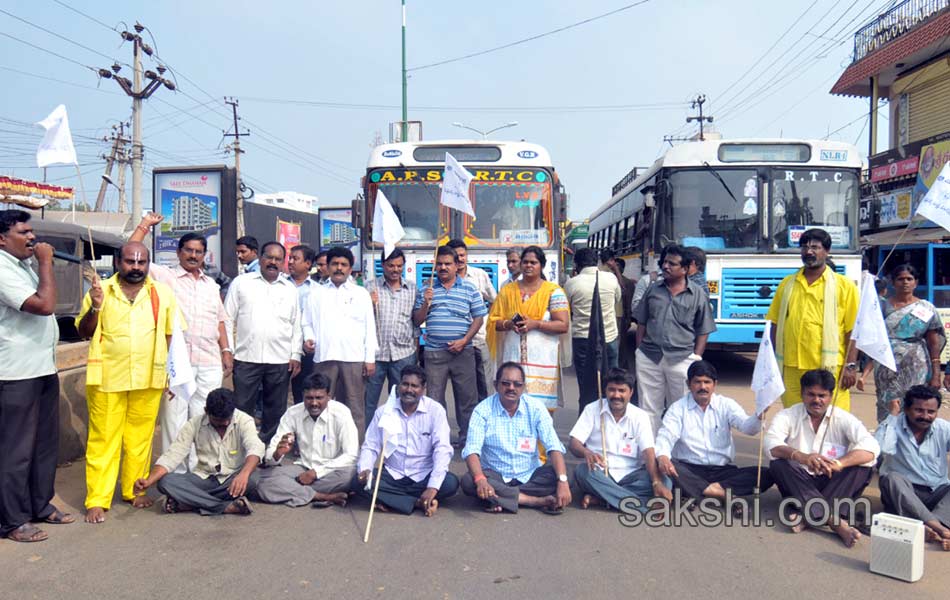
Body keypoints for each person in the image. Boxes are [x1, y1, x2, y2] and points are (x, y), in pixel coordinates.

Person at [75, 241, 180, 524]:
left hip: (149, 377)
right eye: (130, 262)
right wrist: (96, 307)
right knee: (104, 440)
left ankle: (134, 490)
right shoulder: (101, 290)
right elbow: (85, 331)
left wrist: (170, 372)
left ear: (148, 264)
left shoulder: (162, 293)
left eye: (141, 262)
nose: (136, 268)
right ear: (118, 262)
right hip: (108, 377)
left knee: (140, 439)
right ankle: (97, 499)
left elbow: (170, 335)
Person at [129, 213, 232, 470]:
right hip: (178, 363)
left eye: (199, 252)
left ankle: (198, 472)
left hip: (209, 361)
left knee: (202, 419)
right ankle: (173, 475)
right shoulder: (165, 277)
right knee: (174, 421)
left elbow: (220, 320)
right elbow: (132, 253)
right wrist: (144, 227)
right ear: (179, 252)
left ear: (205, 255)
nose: (193, 256)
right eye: (188, 250)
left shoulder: (210, 285)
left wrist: (226, 350)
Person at [0, 210, 74, 542]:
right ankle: (11, 520)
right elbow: (43, 305)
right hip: (15, 373)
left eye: (32, 232)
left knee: (44, 446)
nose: (32, 238)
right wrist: (46, 262)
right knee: (16, 451)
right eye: (23, 232)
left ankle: (38, 505)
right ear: (2, 238)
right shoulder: (2, 269)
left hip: (42, 367)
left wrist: (38, 263)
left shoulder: (22, 266)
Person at [765, 369, 879, 548]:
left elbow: (872, 448)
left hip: (832, 480)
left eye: (822, 395)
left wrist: (839, 464)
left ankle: (810, 516)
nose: (816, 400)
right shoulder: (788, 415)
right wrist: (801, 457)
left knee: (864, 465)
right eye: (811, 394)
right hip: (800, 483)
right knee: (779, 463)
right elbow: (771, 444)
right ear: (802, 394)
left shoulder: (843, 418)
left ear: (830, 396)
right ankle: (835, 522)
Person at [766, 228, 859, 412]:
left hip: (829, 367)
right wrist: (771, 362)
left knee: (832, 423)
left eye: (815, 247)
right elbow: (774, 324)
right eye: (804, 247)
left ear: (827, 251)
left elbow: (854, 330)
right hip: (791, 367)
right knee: (795, 419)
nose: (809, 252)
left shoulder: (844, 286)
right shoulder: (787, 284)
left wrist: (850, 365)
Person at [460, 362, 572, 514]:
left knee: (562, 475)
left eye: (517, 384)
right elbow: (471, 451)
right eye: (506, 383)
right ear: (495, 385)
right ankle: (533, 501)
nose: (511, 388)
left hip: (529, 475)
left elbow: (553, 445)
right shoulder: (482, 410)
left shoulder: (536, 408)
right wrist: (481, 480)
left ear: (523, 387)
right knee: (469, 481)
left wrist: (563, 481)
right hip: (495, 474)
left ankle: (498, 498)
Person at [654, 360, 769, 506]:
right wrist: (663, 457)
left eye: (707, 382)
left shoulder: (726, 405)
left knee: (766, 475)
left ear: (714, 384)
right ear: (689, 384)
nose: (703, 387)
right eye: (697, 382)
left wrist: (760, 415)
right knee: (668, 467)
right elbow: (666, 436)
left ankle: (704, 492)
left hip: (722, 471)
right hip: (690, 470)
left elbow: (748, 428)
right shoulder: (677, 409)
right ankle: (720, 494)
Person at [134, 388, 261, 516]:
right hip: (204, 478)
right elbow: (173, 455)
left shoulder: (244, 420)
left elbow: (255, 448)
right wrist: (149, 481)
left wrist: (243, 475)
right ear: (206, 411)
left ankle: (189, 502)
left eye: (228, 418)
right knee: (165, 482)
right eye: (219, 421)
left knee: (253, 479)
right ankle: (222, 506)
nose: (226, 423)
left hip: (232, 479)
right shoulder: (194, 424)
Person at [224, 241, 302, 443]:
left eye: (278, 259)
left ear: (283, 262)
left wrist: (295, 355)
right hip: (245, 357)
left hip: (280, 359)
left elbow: (296, 324)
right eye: (269, 257)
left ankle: (268, 450)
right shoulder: (241, 283)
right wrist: (228, 351)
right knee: (242, 408)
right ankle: (241, 449)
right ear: (260, 258)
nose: (273, 262)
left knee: (275, 409)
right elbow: (227, 318)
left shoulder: (290, 289)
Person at [633, 244, 716, 432]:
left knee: (680, 408)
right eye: (664, 262)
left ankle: (676, 456)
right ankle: (651, 454)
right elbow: (642, 323)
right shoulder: (653, 290)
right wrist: (639, 351)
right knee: (648, 409)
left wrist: (696, 357)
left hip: (682, 358)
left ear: (686, 269)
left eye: (672, 263)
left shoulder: (698, 295)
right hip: (649, 356)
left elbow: (704, 329)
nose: (666, 267)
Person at [356, 365, 458, 516]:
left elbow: (442, 450)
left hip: (423, 475)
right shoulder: (384, 412)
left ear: (423, 389)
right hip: (393, 475)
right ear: (399, 386)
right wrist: (365, 469)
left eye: (414, 386)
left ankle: (392, 500)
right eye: (405, 384)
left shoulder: (435, 411)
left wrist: (432, 487)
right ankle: (417, 503)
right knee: (356, 481)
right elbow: (371, 446)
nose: (409, 390)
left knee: (450, 483)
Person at [412, 245, 486, 445]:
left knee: (467, 400)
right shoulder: (426, 290)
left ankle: (468, 441)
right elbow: (417, 321)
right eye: (440, 264)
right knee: (435, 400)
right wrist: (426, 303)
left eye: (447, 264)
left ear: (456, 265)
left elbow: (479, 317)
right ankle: (439, 440)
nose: (443, 267)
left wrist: (464, 340)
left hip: (463, 352)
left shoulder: (469, 288)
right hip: (434, 353)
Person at [569, 369, 669, 511]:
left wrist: (656, 482)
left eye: (622, 390)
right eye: (612, 390)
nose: (616, 395)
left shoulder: (640, 416)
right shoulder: (592, 409)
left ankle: (604, 498)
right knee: (582, 472)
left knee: (665, 481)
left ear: (631, 392)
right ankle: (641, 508)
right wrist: (586, 452)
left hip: (631, 474)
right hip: (601, 473)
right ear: (605, 390)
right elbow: (574, 443)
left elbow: (648, 451)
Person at [302, 246, 378, 435]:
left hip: (354, 358)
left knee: (354, 408)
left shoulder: (360, 294)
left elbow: (370, 327)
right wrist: (309, 338)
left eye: (343, 265)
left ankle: (355, 452)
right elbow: (306, 323)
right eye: (335, 264)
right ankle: (320, 448)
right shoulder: (316, 293)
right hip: (324, 357)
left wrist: (370, 358)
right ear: (327, 267)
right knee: (320, 407)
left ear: (350, 269)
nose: (339, 268)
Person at [487, 245, 569, 414]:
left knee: (541, 412)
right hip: (512, 358)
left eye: (533, 262)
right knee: (510, 406)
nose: (528, 266)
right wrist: (509, 324)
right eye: (525, 262)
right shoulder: (507, 291)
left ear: (542, 266)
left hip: (543, 364)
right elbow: (494, 322)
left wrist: (536, 324)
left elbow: (563, 325)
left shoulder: (554, 292)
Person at [256, 373, 358, 507]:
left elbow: (351, 455)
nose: (314, 403)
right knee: (260, 479)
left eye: (319, 398)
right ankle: (322, 496)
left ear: (329, 397)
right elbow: (271, 455)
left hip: (332, 471)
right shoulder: (293, 413)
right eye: (309, 398)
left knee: (351, 476)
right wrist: (277, 454)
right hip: (302, 469)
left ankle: (293, 491)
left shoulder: (341, 413)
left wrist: (316, 473)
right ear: (303, 396)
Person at [876, 385, 950, 551]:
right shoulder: (893, 424)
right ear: (906, 409)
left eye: (931, 412)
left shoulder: (943, 428)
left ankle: (927, 526)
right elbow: (882, 448)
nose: (925, 416)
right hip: (904, 493)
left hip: (937, 491)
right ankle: (942, 529)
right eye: (918, 410)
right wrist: (893, 415)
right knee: (891, 478)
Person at [872, 264, 944, 423]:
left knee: (915, 405)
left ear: (916, 282)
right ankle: (888, 443)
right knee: (887, 407)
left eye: (909, 279)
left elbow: (934, 342)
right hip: (886, 365)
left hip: (916, 366)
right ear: (893, 282)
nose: (905, 282)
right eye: (900, 279)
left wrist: (936, 373)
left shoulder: (925, 307)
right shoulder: (881, 306)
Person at [564, 247, 623, 413]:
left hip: (583, 339)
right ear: (596, 262)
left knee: (586, 383)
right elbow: (617, 299)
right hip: (609, 337)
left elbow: (565, 307)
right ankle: (613, 416)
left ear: (577, 264)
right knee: (613, 380)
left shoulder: (572, 283)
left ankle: (586, 419)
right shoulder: (611, 278)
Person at [363, 249, 418, 419]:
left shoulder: (412, 289)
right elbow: (361, 321)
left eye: (399, 266)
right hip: (376, 354)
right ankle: (368, 439)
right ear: (383, 265)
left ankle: (395, 437)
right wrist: (369, 304)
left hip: (403, 353)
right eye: (391, 265)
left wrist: (416, 350)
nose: (395, 270)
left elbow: (415, 321)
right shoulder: (369, 288)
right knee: (369, 401)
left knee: (399, 400)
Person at [445, 239, 496, 403]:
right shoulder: (443, 279)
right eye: (456, 256)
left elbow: (494, 300)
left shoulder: (480, 275)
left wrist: (487, 322)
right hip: (456, 343)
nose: (460, 259)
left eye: (462, 255)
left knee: (485, 384)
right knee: (464, 389)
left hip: (478, 340)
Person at [288, 244, 318, 405]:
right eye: (290, 258)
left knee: (304, 391)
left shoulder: (317, 291)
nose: (291, 262)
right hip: (282, 346)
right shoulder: (281, 285)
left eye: (295, 258)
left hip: (306, 350)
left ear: (308, 264)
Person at [605, 256, 636, 370]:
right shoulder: (608, 281)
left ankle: (621, 367)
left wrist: (628, 317)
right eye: (614, 266)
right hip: (610, 315)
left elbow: (628, 300)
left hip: (620, 316)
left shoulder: (627, 282)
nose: (615, 268)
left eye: (618, 267)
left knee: (620, 344)